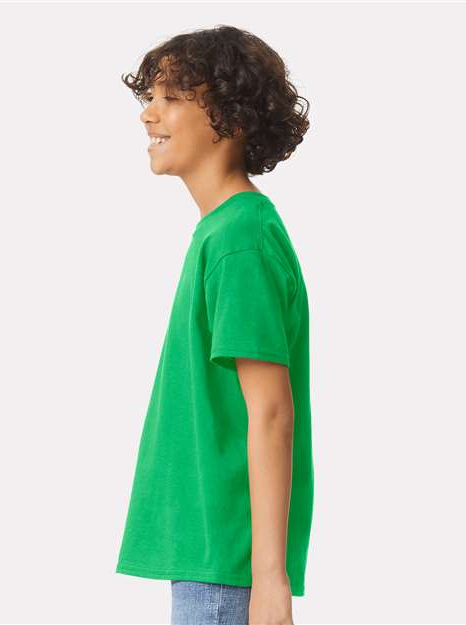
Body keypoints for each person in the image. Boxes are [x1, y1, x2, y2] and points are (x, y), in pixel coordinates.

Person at [115, 24, 314, 625]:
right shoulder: (223, 232)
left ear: (232, 116)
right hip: (210, 560)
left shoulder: (239, 240)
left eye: (171, 97)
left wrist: (269, 581)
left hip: (226, 571)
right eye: (149, 96)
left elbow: (272, 412)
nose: (149, 113)